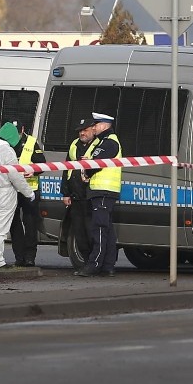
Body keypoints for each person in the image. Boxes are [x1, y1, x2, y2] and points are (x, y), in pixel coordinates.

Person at [0, 121, 36, 270]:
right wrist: (28, 193)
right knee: (0, 230)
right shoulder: (7, 151)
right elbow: (15, 176)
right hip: (3, 193)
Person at [75, 112, 122, 277]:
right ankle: (108, 266)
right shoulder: (103, 142)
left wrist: (86, 167)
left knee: (99, 229)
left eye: (96, 124)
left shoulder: (109, 143)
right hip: (102, 190)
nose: (93, 127)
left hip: (103, 190)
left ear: (105, 125)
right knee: (107, 229)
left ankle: (94, 264)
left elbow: (96, 163)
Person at [8, 122, 47, 267]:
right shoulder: (5, 143)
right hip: (12, 190)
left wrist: (33, 171)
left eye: (17, 133)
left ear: (23, 130)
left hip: (30, 189)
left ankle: (30, 257)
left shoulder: (31, 142)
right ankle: (19, 257)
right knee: (14, 224)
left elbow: (42, 163)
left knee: (30, 223)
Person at [62, 117, 97, 265]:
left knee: (91, 231)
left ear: (93, 130)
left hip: (90, 195)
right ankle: (85, 262)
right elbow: (67, 169)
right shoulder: (74, 145)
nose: (82, 133)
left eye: (85, 130)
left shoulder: (98, 145)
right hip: (76, 195)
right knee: (79, 231)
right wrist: (65, 193)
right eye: (80, 131)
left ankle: (94, 263)